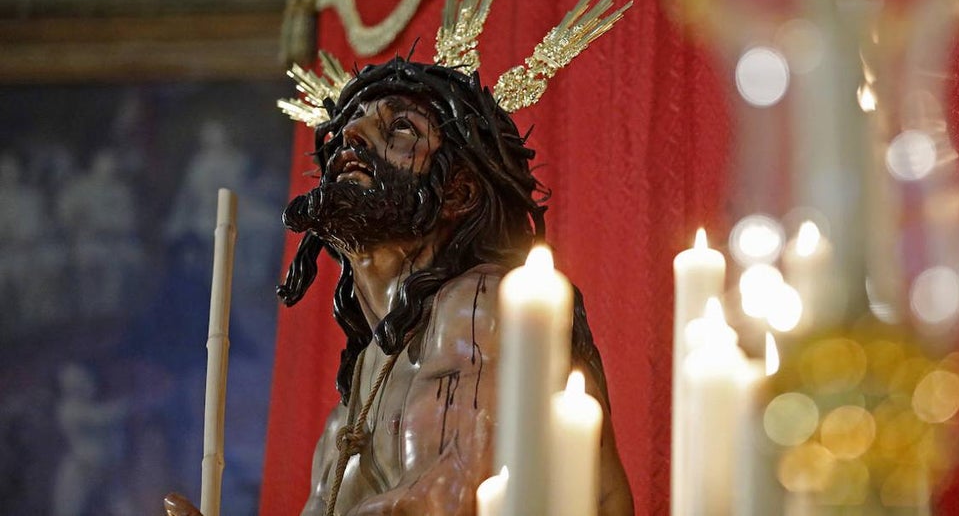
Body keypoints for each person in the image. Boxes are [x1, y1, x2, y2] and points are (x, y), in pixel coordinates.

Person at [166, 56, 634, 516]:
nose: (350, 136)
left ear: (458, 193)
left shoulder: (486, 303)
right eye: (348, 127)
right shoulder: (361, 391)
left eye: (400, 130)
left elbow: (441, 501)